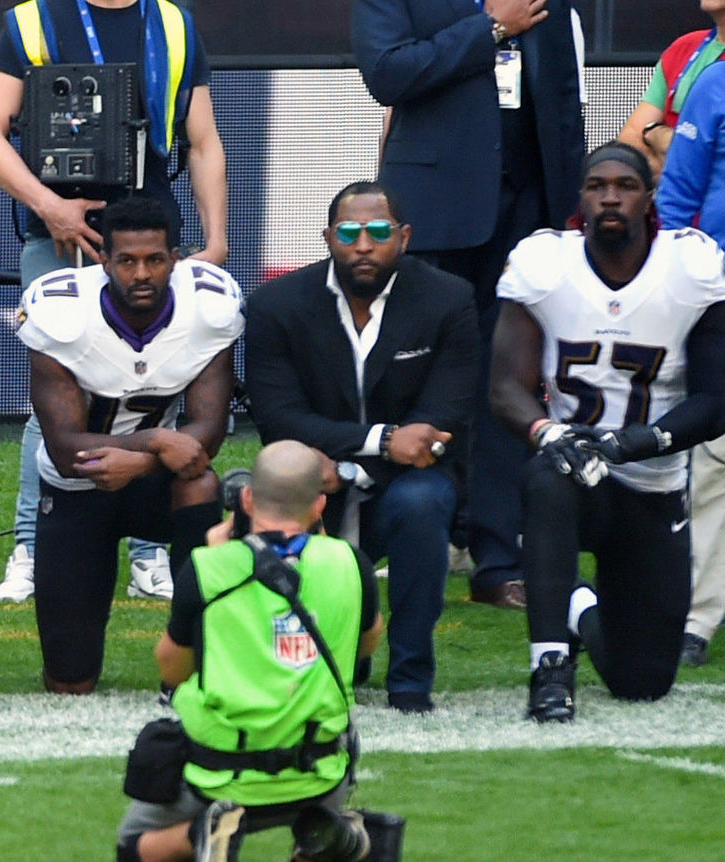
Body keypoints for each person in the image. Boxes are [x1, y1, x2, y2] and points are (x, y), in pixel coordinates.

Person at [0, 0, 229, 604]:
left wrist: (216, 239)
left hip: (152, 239)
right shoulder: (33, 20)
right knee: (57, 401)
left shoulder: (173, 21)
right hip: (63, 235)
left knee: (159, 390)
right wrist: (47, 204)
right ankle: (33, 546)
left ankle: (149, 554)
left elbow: (203, 139)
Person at [352, 0, 586, 611]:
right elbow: (387, 74)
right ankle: (379, 537)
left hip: (529, 209)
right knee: (408, 376)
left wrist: (566, 206)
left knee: (510, 382)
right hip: (435, 209)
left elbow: (561, 97)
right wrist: (490, 28)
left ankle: (498, 558)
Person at [490, 141, 725, 722]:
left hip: (653, 482)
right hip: (577, 470)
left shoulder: (691, 270)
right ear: (582, 199)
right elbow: (504, 387)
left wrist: (640, 441)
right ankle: (549, 669)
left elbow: (716, 400)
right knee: (549, 475)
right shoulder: (545, 265)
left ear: (648, 197)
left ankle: (577, 604)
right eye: (597, 186)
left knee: (641, 683)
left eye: (625, 185)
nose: (611, 196)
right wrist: (548, 432)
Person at [245, 181, 479, 713]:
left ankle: (411, 679)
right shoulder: (276, 305)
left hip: (408, 482)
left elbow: (444, 416)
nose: (364, 245)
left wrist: (368, 456)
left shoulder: (449, 299)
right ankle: (303, 660)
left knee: (422, 502)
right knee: (263, 497)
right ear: (328, 238)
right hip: (316, 480)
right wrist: (385, 441)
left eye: (379, 232)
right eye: (349, 233)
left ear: (404, 236)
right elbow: (280, 418)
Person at [115, 441, 389, 862]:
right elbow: (367, 642)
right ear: (320, 504)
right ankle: (319, 840)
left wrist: (217, 545)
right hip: (319, 772)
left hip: (222, 771)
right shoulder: (350, 564)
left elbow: (171, 667)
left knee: (134, 847)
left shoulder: (208, 567)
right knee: (324, 765)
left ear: (245, 500)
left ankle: (208, 832)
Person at [17, 197, 239, 693]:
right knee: (69, 678)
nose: (142, 274)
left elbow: (208, 432)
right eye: (127, 261)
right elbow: (65, 449)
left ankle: (196, 662)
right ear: (104, 262)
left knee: (200, 481)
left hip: (154, 485)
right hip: (75, 491)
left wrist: (140, 463)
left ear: (176, 259)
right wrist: (158, 438)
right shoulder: (61, 310)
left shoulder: (209, 307)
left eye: (155, 260)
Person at [652, 47, 725, 668]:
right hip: (720, 289)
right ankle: (698, 616)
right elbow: (678, 193)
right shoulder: (717, 81)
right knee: (716, 458)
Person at [618, 0, 725, 181]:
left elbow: (710, 157)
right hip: (671, 204)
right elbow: (629, 138)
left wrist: (655, 135)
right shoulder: (683, 48)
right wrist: (656, 133)